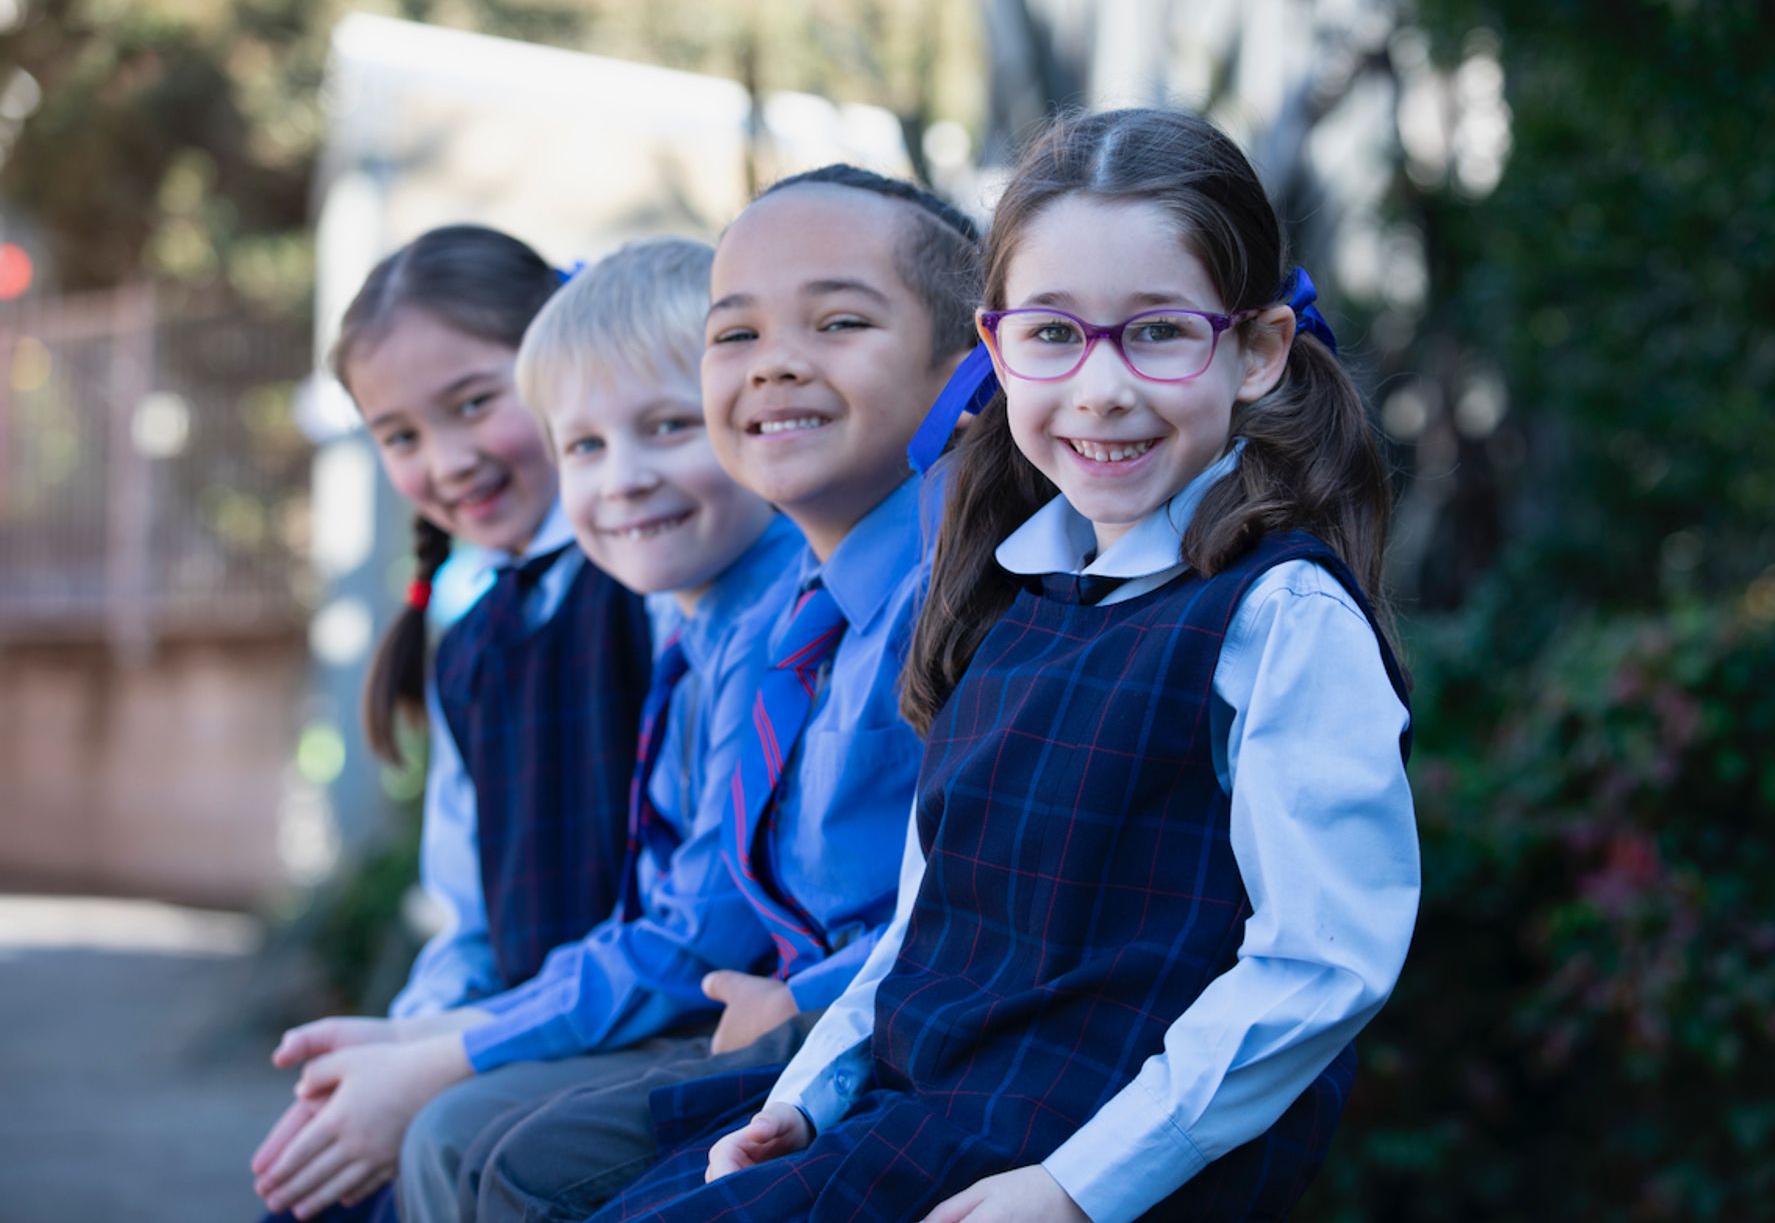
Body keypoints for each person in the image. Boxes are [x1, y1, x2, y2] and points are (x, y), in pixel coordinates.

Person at [599, 107, 1422, 1223]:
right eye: (1051, 335)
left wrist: (1076, 1189)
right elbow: (925, 920)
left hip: (1082, 1159)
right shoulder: (1003, 593)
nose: (1100, 387)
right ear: (994, 349)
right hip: (925, 1109)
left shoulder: (1277, 615)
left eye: (1159, 332)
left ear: (1256, 350)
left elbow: (1323, 966)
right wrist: (813, 1085)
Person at [391, 168, 982, 1223]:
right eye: (738, 335)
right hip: (783, 1014)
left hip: (863, 1027)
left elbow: (943, 896)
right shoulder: (764, 610)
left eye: (838, 320)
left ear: (963, 355)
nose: (620, 479)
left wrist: (798, 1001)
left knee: (484, 1146)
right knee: (459, 1145)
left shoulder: (945, 591)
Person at [250, 226, 657, 1219]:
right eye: (399, 434)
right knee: (315, 1186)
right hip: (513, 1023)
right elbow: (468, 914)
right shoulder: (469, 633)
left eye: (475, 402)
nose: (448, 459)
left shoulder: (657, 582)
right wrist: (395, 1052)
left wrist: (440, 1062)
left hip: (632, 1033)